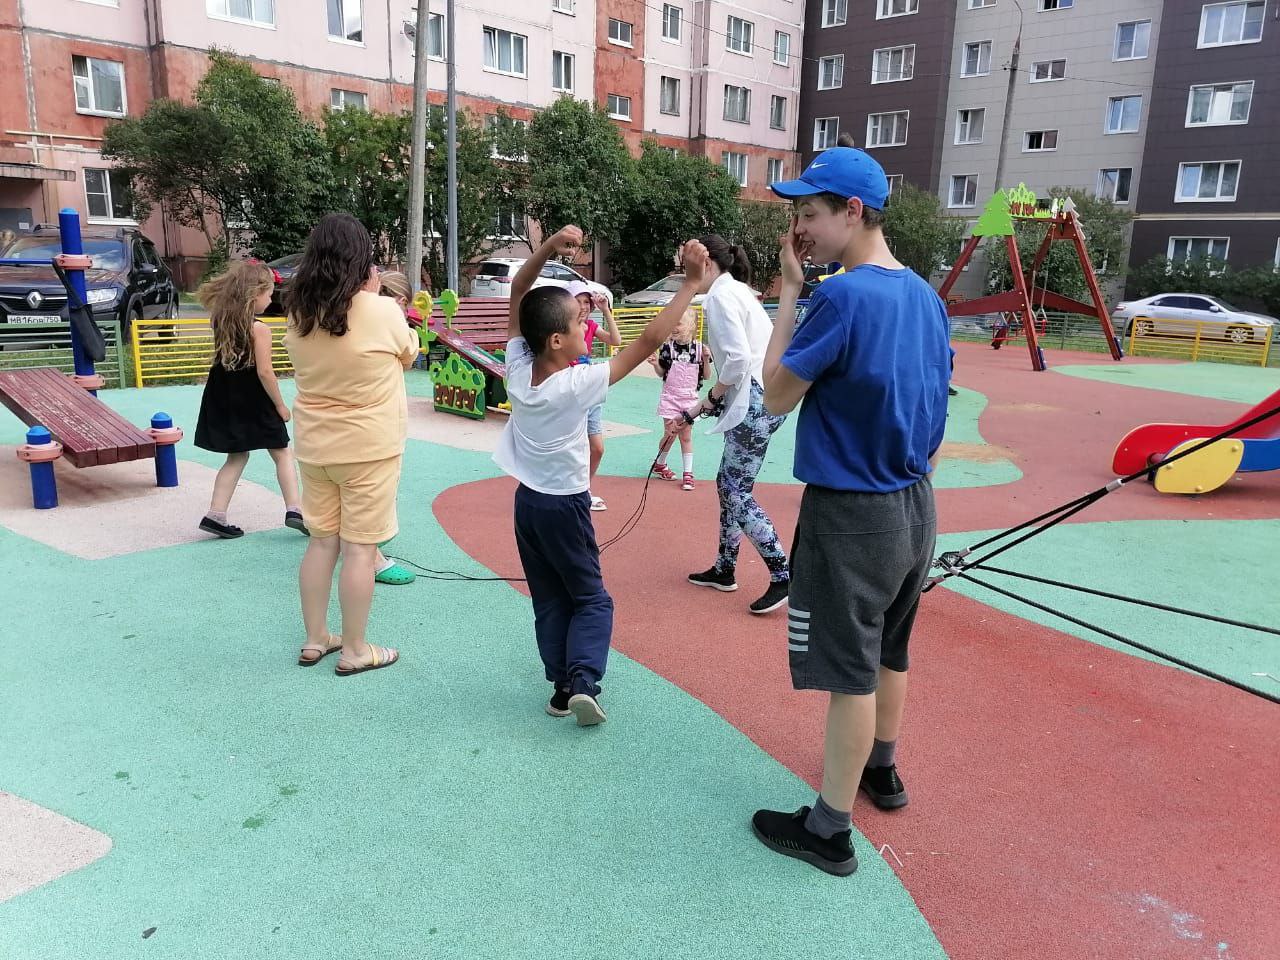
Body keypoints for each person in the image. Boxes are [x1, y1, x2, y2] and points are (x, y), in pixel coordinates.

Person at [749, 147, 951, 876]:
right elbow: (935, 411)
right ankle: (882, 771)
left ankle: (829, 828)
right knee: (891, 647)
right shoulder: (927, 298)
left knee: (848, 671)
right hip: (914, 505)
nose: (802, 227)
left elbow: (774, 393)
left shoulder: (841, 297)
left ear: (852, 211)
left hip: (850, 512)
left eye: (810, 212)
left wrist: (791, 295)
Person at [493, 225, 707, 726]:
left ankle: (560, 687)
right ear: (556, 339)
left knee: (548, 597)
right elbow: (651, 339)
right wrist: (691, 286)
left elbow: (520, 291)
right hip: (567, 504)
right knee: (591, 597)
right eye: (576, 321)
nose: (583, 321)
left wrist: (547, 248)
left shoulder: (519, 365)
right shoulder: (577, 383)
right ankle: (584, 680)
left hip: (528, 504)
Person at [284, 214, 419, 675]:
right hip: (369, 450)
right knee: (360, 550)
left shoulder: (299, 312)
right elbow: (409, 353)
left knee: (322, 543)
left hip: (315, 448)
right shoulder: (382, 310)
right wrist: (376, 296)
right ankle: (356, 648)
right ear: (363, 261)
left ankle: (315, 637)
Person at [684, 235, 791, 615]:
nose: (686, 271)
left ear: (708, 264)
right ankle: (725, 568)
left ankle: (782, 573)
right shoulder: (738, 292)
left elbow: (735, 359)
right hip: (766, 398)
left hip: (755, 402)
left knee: (735, 490)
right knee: (729, 485)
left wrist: (711, 398)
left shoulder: (720, 297)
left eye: (690, 264)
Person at [193, 260, 306, 540]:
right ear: (253, 294)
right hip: (255, 397)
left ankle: (216, 513)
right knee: (281, 452)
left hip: (225, 396)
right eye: (268, 294)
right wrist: (280, 405)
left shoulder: (220, 320)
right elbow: (265, 371)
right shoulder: (259, 328)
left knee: (237, 456)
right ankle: (295, 509)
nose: (271, 299)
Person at [566, 280, 622, 511]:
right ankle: (570, 490)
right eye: (578, 301)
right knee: (572, 447)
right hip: (570, 393)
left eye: (586, 301)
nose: (584, 306)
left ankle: (584, 489)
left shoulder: (590, 326)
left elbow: (615, 340)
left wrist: (606, 311)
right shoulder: (563, 328)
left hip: (591, 390)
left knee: (597, 448)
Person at [647, 308, 710, 490]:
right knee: (670, 434)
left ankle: (688, 473)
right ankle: (660, 463)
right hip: (671, 397)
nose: (674, 327)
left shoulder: (700, 349)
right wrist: (656, 364)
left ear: (691, 326)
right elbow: (662, 373)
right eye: (672, 323)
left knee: (686, 435)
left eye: (679, 323)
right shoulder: (667, 348)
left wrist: (706, 359)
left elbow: (706, 376)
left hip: (690, 399)